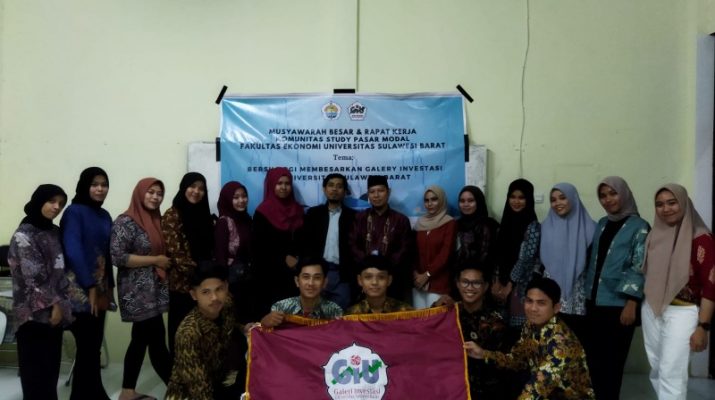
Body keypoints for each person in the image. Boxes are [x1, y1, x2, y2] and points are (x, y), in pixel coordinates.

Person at [464, 277, 595, 399]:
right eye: (529, 301)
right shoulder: (530, 325)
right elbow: (516, 360)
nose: (533, 308)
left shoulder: (562, 344)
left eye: (541, 303)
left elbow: (536, 390)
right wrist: (483, 354)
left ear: (556, 308)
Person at [641, 184, 715, 400]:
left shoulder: (702, 239)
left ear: (684, 203)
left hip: (683, 311)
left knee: (671, 371)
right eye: (660, 204)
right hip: (652, 308)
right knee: (657, 368)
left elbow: (711, 286)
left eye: (672, 203)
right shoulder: (655, 235)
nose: (666, 209)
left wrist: (703, 327)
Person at [583, 177, 650, 400]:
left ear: (625, 194)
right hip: (594, 302)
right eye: (603, 195)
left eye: (613, 193)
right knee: (594, 361)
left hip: (619, 305)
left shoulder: (639, 226)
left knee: (612, 363)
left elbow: (640, 266)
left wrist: (632, 303)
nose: (608, 199)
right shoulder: (602, 223)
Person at [8, 184, 74, 400]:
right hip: (32, 314)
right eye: (51, 201)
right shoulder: (24, 234)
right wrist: (56, 305)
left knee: (50, 370)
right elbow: (33, 276)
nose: (56, 207)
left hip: (54, 311)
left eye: (61, 204)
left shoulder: (53, 231)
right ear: (39, 201)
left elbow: (60, 268)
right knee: (35, 372)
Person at [110, 178, 171, 400]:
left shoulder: (156, 219)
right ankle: (178, 389)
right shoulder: (125, 222)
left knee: (144, 339)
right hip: (136, 292)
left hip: (153, 289)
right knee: (155, 341)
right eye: (150, 192)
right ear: (140, 193)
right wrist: (155, 260)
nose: (155, 197)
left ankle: (128, 391)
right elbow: (118, 257)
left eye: (159, 193)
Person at [60, 167, 114, 400]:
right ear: (85, 186)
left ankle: (93, 393)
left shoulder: (105, 215)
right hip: (79, 290)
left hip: (99, 290)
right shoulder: (74, 212)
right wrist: (90, 285)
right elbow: (72, 250)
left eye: (104, 184)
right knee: (87, 347)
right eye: (95, 184)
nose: (100, 189)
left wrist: (109, 289)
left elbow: (107, 254)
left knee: (92, 348)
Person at [165, 262, 236, 400]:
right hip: (189, 394)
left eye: (219, 289)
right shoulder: (188, 333)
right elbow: (200, 391)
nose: (214, 297)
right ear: (194, 295)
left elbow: (230, 325)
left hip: (217, 381)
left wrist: (243, 328)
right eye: (205, 292)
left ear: (226, 287)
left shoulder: (226, 305)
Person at [162, 172, 214, 355]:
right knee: (181, 333)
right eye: (192, 186)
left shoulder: (204, 215)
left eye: (201, 189)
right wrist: (201, 276)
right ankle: (179, 371)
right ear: (184, 188)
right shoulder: (172, 215)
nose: (196, 191)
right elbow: (177, 254)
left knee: (202, 335)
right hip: (182, 286)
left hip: (205, 287)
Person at [540, 182, 595, 341]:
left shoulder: (592, 228)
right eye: (553, 200)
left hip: (578, 295)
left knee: (576, 340)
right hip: (550, 292)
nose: (557, 203)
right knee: (550, 340)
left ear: (573, 198)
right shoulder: (544, 227)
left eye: (562, 198)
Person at [350, 175, 413, 302]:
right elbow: (352, 244)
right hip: (366, 279)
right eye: (372, 192)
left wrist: (384, 266)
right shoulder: (359, 218)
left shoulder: (401, 220)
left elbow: (405, 249)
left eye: (380, 191)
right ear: (368, 194)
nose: (376, 195)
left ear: (388, 192)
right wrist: (368, 265)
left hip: (393, 279)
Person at [491, 179, 540, 341]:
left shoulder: (533, 226)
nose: (516, 201)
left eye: (521, 197)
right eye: (512, 197)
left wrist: (509, 285)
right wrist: (497, 281)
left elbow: (525, 258)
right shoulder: (504, 224)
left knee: (518, 334)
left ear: (529, 199)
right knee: (499, 330)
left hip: (521, 287)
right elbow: (497, 254)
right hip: (501, 284)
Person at [253, 167, 304, 317]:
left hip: (295, 274)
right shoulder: (262, 212)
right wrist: (283, 258)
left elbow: (305, 241)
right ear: (271, 185)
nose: (283, 187)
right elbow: (259, 247)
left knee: (294, 318)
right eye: (279, 183)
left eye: (287, 183)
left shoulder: (298, 210)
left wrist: (298, 260)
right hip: (270, 276)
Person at [301, 173, 356, 309]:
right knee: (314, 313)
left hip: (342, 274)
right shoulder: (313, 214)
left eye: (339, 186)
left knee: (341, 314)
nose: (334, 189)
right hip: (317, 272)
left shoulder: (353, 217)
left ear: (345, 191)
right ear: (324, 189)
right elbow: (305, 244)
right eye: (331, 185)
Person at [455, 261, 506, 400]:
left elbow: (507, 363)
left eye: (476, 283)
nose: (470, 287)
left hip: (484, 392)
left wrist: (483, 354)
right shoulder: (449, 313)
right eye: (465, 282)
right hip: (452, 389)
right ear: (458, 284)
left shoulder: (496, 323)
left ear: (486, 286)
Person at [260, 257, 343, 327]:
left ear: (324, 283)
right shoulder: (280, 308)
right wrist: (264, 323)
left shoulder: (334, 311)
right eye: (306, 277)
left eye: (317, 278)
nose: (311, 283)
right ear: (297, 281)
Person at [214, 181, 254, 321]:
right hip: (232, 282)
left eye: (244, 196)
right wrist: (223, 285)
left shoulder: (248, 219)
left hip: (248, 279)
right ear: (227, 199)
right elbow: (220, 256)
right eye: (236, 197)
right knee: (234, 319)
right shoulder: (224, 222)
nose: (241, 200)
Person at [412, 185, 457, 309]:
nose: (430, 204)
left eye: (434, 199)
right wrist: (415, 274)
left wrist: (427, 275)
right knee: (418, 318)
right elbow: (413, 251)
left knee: (435, 318)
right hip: (418, 283)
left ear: (441, 200)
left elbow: (445, 254)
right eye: (426, 200)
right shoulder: (419, 223)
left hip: (439, 283)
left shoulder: (449, 223)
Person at [454, 185, 500, 277]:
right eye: (462, 201)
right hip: (459, 277)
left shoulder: (491, 225)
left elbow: (497, 256)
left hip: (485, 277)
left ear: (479, 202)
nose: (466, 204)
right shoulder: (456, 225)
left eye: (470, 200)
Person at [346, 255, 412, 314]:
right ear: (360, 280)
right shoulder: (351, 315)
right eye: (368, 277)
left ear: (389, 280)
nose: (374, 282)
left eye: (381, 277)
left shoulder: (405, 312)